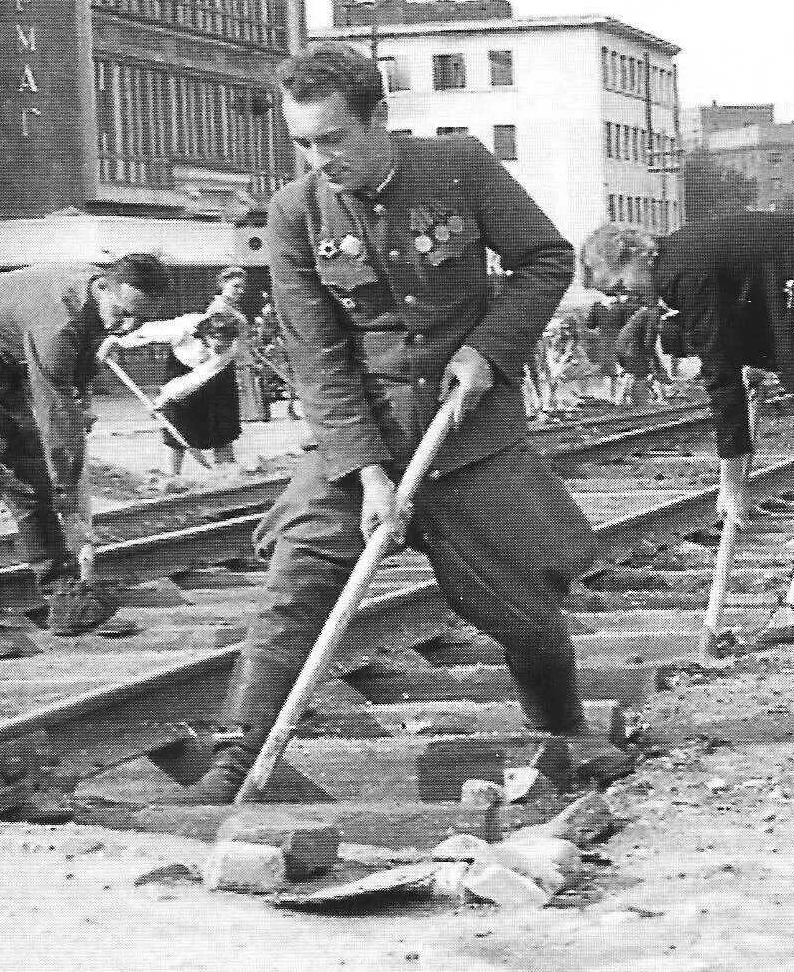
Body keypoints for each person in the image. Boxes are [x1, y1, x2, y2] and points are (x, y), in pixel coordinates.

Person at [169, 42, 618, 803]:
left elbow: (544, 259)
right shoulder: (293, 214)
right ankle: (236, 763)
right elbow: (316, 355)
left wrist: (488, 349)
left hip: (468, 433)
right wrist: (370, 474)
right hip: (359, 436)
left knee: (523, 606)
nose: (319, 159)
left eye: (332, 139)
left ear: (379, 119)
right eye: (303, 144)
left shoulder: (461, 168)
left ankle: (564, 731)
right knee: (296, 579)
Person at [582, 214, 794, 649]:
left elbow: (721, 384)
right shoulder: (680, 267)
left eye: (618, 286)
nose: (625, 298)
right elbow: (748, 331)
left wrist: (730, 485)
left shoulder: (683, 275)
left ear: (632, 255)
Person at [0, 255, 170, 658]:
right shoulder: (58, 317)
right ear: (101, 287)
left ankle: (64, 599)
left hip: (2, 368)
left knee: (33, 484)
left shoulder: (94, 306)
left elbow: (70, 390)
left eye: (139, 320)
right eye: (123, 313)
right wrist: (68, 488)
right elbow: (56, 408)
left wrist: (78, 414)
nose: (127, 327)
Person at [105, 267, 250, 474]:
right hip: (180, 366)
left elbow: (198, 378)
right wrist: (119, 342)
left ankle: (226, 476)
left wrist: (164, 397)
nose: (220, 349)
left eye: (224, 346)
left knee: (221, 430)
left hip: (206, 378)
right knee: (176, 425)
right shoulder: (186, 326)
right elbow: (150, 332)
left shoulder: (227, 351)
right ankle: (172, 476)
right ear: (206, 334)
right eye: (216, 344)